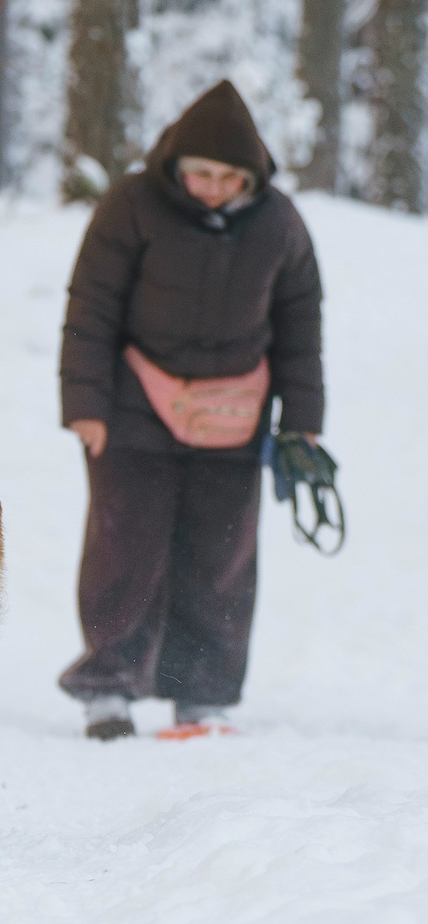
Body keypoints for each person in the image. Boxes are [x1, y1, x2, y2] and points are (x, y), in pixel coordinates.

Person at [57, 81, 324, 741]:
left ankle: (203, 696)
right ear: (176, 165)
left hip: (237, 414)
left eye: (227, 177)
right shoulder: (131, 204)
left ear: (250, 176)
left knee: (221, 559)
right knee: (125, 547)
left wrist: (304, 421)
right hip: (132, 407)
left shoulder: (280, 222)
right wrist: (85, 403)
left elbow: (301, 324)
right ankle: (109, 688)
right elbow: (90, 306)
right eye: (200, 174)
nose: (211, 187)